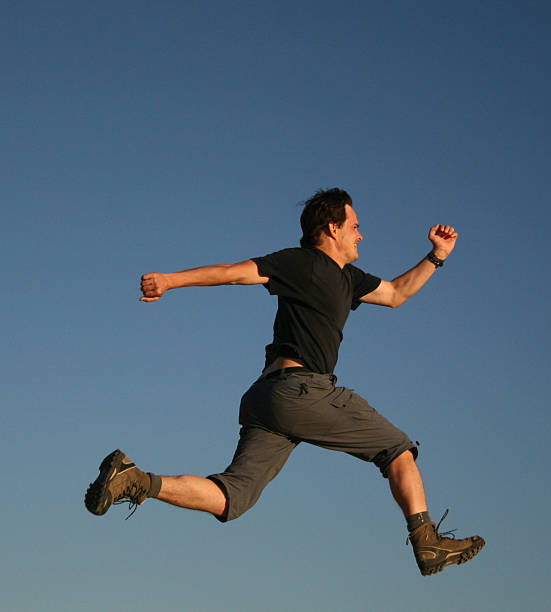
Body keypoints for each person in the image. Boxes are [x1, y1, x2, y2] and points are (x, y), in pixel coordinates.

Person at [84, 188, 484, 576]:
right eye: (355, 225)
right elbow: (233, 273)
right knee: (398, 449)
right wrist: (171, 280)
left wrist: (437, 256)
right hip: (303, 388)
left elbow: (397, 293)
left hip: (266, 399)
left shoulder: (350, 279)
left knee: (231, 498)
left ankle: (135, 479)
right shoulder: (302, 263)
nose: (361, 234)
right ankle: (426, 540)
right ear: (332, 228)